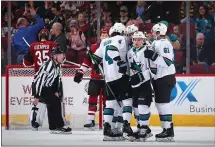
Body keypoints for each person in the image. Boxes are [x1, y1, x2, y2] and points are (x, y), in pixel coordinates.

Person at [92, 23, 134, 141]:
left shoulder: (104, 42)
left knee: (110, 103)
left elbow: (95, 58)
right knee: (127, 101)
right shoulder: (122, 38)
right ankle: (126, 126)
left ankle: (107, 129)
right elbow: (113, 49)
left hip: (108, 78)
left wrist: (96, 65)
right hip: (121, 75)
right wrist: (120, 62)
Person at [144, 23, 176, 142]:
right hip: (159, 77)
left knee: (163, 103)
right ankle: (165, 129)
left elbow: (167, 62)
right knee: (159, 104)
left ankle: (168, 130)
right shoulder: (156, 42)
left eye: (154, 32)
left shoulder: (165, 43)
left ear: (158, 32)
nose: (152, 33)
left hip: (165, 77)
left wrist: (153, 56)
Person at [73, 29, 109, 130]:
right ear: (100, 36)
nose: (104, 36)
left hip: (108, 78)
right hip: (95, 78)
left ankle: (107, 121)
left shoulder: (112, 47)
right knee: (92, 99)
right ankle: (90, 120)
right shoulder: (93, 47)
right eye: (102, 35)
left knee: (107, 101)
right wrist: (80, 72)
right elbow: (87, 61)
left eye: (106, 35)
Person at [32, 45, 72, 134]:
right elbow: (39, 81)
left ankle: (53, 126)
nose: (63, 56)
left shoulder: (58, 65)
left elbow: (57, 79)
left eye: (63, 54)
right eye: (61, 54)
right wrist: (37, 96)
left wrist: (56, 91)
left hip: (48, 87)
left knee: (53, 102)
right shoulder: (48, 66)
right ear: (54, 56)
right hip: (40, 87)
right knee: (55, 102)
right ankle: (59, 126)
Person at [23, 29, 56, 130]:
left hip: (38, 78)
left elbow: (26, 63)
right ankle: (56, 123)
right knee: (54, 100)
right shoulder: (52, 44)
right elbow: (58, 59)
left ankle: (34, 122)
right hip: (50, 78)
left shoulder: (33, 46)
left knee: (38, 99)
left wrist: (35, 62)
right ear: (48, 36)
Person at [127, 31, 153, 141]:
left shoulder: (147, 51)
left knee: (143, 106)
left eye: (139, 39)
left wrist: (143, 77)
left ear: (143, 41)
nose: (136, 41)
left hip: (145, 83)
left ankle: (144, 128)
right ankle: (141, 128)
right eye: (134, 39)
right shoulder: (129, 52)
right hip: (134, 83)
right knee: (136, 107)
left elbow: (152, 67)